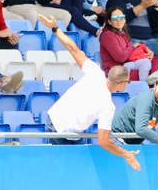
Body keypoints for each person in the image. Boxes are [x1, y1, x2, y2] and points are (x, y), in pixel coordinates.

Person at [40, 14, 140, 168]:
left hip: (63, 125)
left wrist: (55, 28)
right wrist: (124, 153)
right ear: (121, 83)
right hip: (60, 128)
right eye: (127, 82)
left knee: (75, 169)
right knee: (63, 171)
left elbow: (73, 49)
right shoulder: (108, 105)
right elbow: (103, 141)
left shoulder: (95, 72)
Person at [112, 71, 158, 148]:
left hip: (133, 142)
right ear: (155, 86)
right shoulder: (146, 100)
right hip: (116, 138)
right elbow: (141, 129)